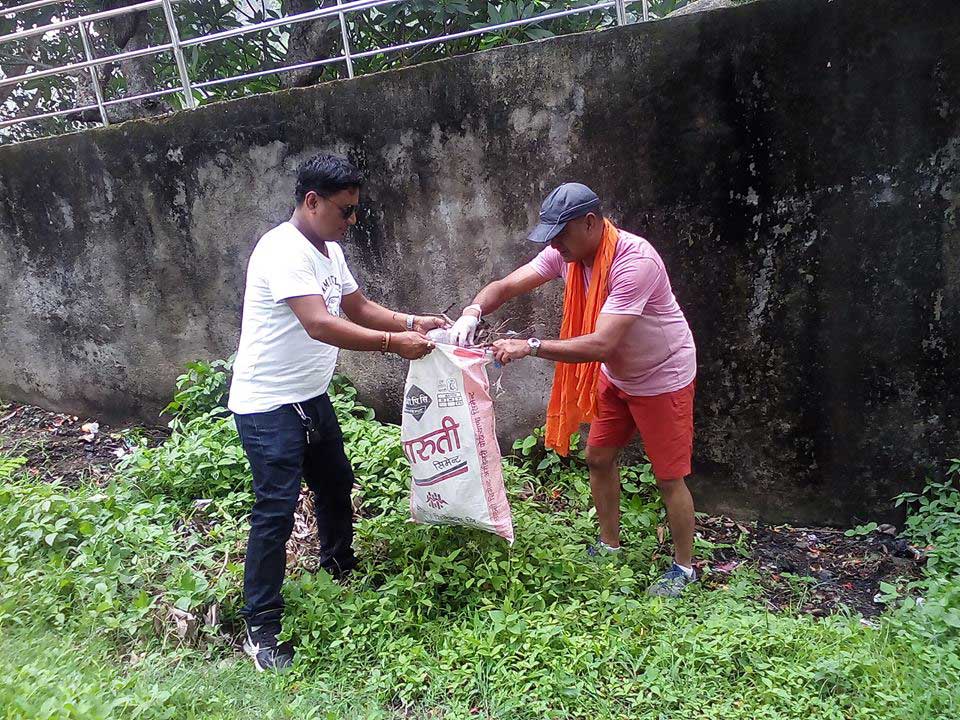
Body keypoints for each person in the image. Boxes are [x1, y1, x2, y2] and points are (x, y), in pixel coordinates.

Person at [227, 154, 445, 671]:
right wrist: (394, 343)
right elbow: (320, 324)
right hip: (267, 405)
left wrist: (415, 320)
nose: (352, 222)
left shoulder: (328, 250)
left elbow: (360, 309)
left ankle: (338, 567)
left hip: (309, 396)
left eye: (355, 211)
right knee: (275, 513)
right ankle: (261, 628)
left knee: (335, 483)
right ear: (312, 202)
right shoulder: (282, 251)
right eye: (346, 211)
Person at [450, 183, 698, 597]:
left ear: (590, 223)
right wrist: (472, 311)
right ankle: (609, 544)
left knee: (668, 476)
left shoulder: (633, 262)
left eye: (560, 234)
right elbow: (506, 286)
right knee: (598, 457)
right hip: (617, 375)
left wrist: (529, 346)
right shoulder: (566, 254)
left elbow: (602, 343)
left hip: (661, 376)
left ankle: (684, 569)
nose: (554, 245)